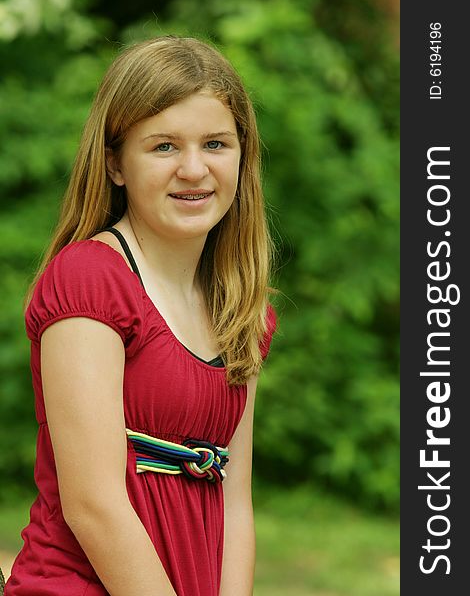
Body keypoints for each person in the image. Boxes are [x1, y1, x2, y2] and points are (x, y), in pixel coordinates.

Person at [4, 35, 276, 596]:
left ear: (242, 156)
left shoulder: (242, 305)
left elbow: (236, 497)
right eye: (164, 147)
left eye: (216, 144)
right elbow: (93, 504)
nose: (195, 169)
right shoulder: (90, 280)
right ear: (115, 163)